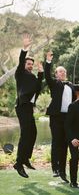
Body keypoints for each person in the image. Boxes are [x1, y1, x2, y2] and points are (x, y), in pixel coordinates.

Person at [45, 51, 79, 182]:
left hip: (68, 118)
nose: (63, 73)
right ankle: (55, 168)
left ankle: (62, 171)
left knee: (66, 143)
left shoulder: (71, 85)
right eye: (60, 72)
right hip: (56, 117)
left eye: (64, 72)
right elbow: (47, 76)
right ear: (56, 74)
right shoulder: (54, 83)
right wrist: (48, 62)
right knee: (56, 142)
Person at [13, 33, 44, 178]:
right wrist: (25, 49)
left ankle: (25, 158)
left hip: (29, 108)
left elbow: (38, 89)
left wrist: (41, 74)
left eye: (32, 64)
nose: (30, 66)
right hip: (21, 106)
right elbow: (20, 61)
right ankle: (18, 163)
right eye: (28, 64)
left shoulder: (32, 77)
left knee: (33, 133)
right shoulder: (20, 73)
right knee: (25, 134)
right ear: (24, 65)